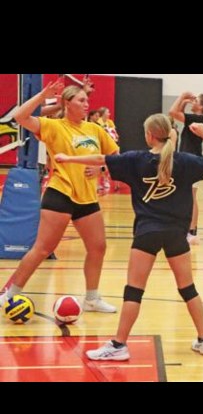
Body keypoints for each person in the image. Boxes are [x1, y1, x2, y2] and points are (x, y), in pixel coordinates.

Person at [55, 116, 203, 360]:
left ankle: (119, 345)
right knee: (188, 289)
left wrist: (68, 158)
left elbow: (99, 159)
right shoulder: (185, 161)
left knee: (134, 291)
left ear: (149, 135)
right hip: (177, 234)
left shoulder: (136, 159)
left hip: (147, 232)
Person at [0, 80, 119, 314]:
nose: (87, 104)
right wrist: (43, 95)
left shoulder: (95, 129)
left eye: (87, 100)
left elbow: (116, 156)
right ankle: (10, 293)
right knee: (42, 248)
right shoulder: (53, 126)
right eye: (81, 100)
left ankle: (92, 299)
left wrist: (102, 168)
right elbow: (21, 117)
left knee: (98, 247)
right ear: (67, 103)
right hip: (60, 193)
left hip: (87, 198)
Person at [169, 91, 203, 245]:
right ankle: (187, 228)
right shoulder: (194, 119)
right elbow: (179, 112)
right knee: (186, 196)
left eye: (196, 100)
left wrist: (182, 96)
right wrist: (185, 101)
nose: (193, 101)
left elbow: (173, 113)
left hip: (193, 162)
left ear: (200, 106)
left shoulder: (199, 118)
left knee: (191, 197)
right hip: (188, 161)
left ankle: (192, 232)